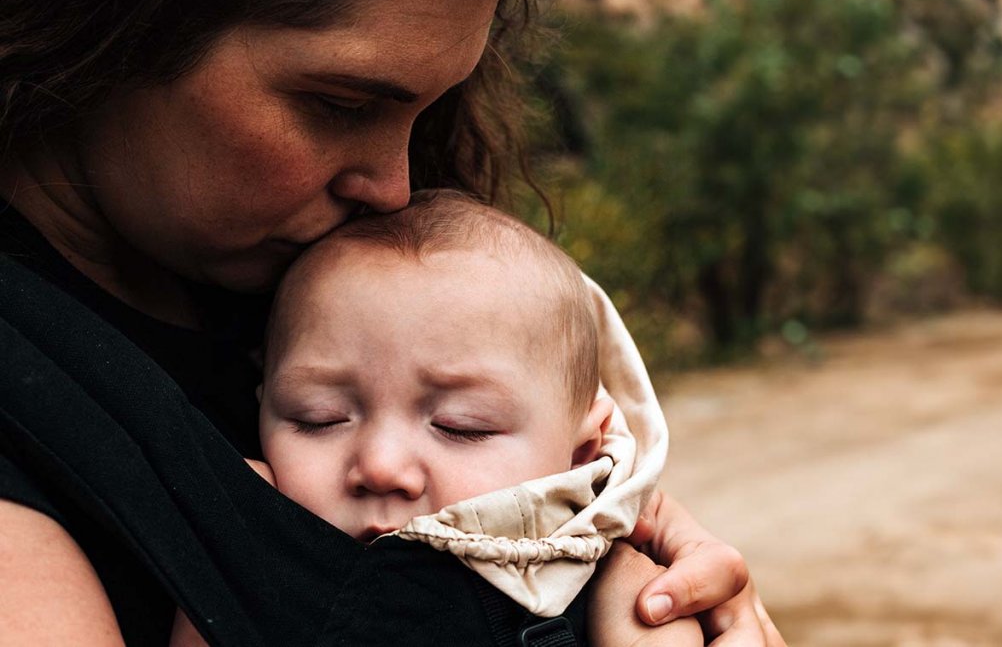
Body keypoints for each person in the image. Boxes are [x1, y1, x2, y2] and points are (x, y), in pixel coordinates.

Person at [0, 0, 785, 645]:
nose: (393, 187)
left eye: (431, 112)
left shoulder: (308, 281)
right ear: (111, 16)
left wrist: (607, 545)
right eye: (341, 105)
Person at [172, 188, 670, 645]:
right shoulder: (248, 558)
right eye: (318, 418)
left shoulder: (626, 601)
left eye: (461, 426)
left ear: (580, 454)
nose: (382, 467)